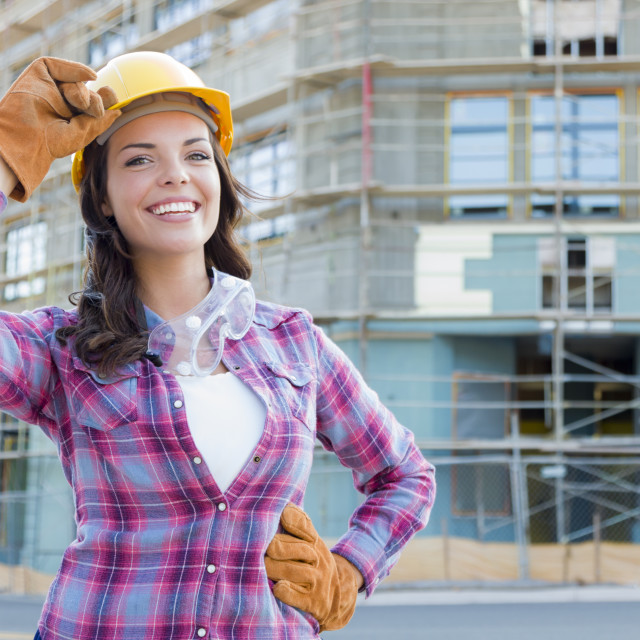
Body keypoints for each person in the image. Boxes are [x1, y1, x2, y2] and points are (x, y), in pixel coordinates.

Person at [0, 52, 435, 640]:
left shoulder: (295, 345)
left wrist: (350, 572)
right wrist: (6, 154)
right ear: (102, 197)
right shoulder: (60, 348)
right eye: (139, 159)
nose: (176, 174)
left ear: (218, 178)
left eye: (196, 154)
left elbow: (405, 474)